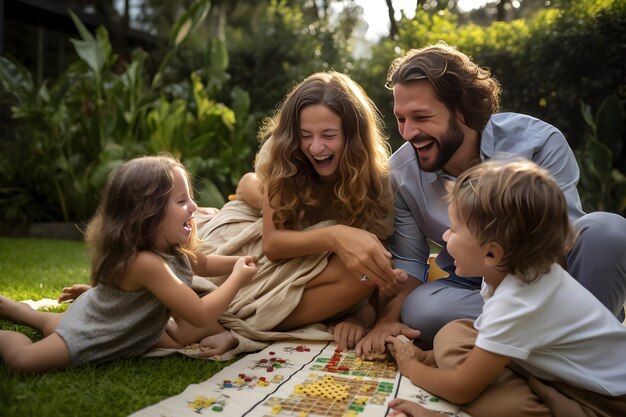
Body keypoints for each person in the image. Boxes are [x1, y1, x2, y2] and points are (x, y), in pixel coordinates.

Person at [60, 71, 406, 355]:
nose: (316, 147)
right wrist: (335, 233)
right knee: (178, 264)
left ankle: (225, 320)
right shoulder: (284, 156)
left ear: (354, 136)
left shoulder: (377, 182)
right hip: (265, 248)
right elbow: (273, 244)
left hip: (311, 267)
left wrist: (360, 318)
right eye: (306, 135)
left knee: (365, 275)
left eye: (329, 135)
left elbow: (377, 268)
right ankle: (125, 302)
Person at [356, 42, 626, 355]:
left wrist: (518, 299)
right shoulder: (401, 174)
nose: (408, 132)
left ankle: (561, 347)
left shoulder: (539, 143)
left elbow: (561, 241)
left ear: (462, 111)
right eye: (401, 118)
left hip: (554, 277)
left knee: (610, 232)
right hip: (472, 286)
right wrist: (387, 320)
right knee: (420, 309)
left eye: (421, 116)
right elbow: (410, 264)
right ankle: (565, 343)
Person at [386, 159, 626, 417]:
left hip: (604, 401)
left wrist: (411, 367)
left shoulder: (517, 301)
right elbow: (484, 333)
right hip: (554, 369)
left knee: (499, 404)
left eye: (453, 230)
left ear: (492, 253)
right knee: (452, 334)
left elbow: (461, 389)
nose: (444, 237)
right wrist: (427, 358)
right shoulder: (507, 275)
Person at [0, 155, 258, 373]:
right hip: (95, 332)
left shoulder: (172, 250)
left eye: (190, 198)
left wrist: (246, 261)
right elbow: (199, 314)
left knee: (54, 325)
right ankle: (14, 317)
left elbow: (207, 264)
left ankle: (20, 311)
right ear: (146, 216)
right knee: (23, 361)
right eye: (181, 201)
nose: (193, 206)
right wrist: (237, 278)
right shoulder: (146, 262)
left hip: (123, 329)